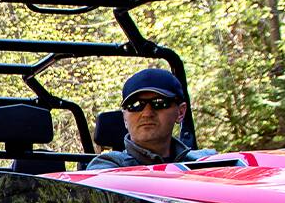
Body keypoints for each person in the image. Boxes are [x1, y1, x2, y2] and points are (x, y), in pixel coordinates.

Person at [86, 68, 215, 169]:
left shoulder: (207, 163)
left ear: (180, 112)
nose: (147, 113)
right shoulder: (107, 168)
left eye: (159, 103)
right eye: (135, 105)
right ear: (125, 117)